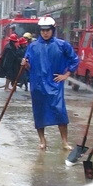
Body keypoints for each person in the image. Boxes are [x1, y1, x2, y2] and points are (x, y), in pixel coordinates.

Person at [22, 16, 79, 151]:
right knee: (39, 113)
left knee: (60, 113)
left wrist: (66, 74)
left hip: (54, 85)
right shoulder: (33, 46)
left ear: (52, 30)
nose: (45, 33)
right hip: (37, 85)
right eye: (42, 30)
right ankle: (42, 140)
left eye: (47, 30)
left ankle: (64, 141)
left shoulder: (62, 45)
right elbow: (28, 65)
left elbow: (74, 60)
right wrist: (25, 64)